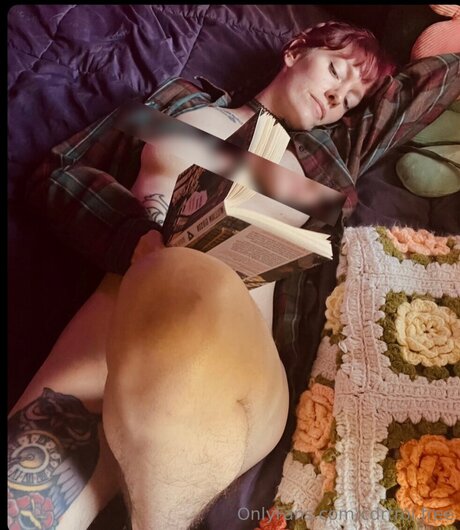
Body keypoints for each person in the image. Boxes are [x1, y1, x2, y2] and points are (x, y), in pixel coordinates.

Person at [8, 20, 460, 530]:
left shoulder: (330, 157)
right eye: (336, 71)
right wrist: (132, 237)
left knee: (184, 280)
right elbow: (57, 172)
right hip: (122, 312)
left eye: (351, 100)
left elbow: (435, 81)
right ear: (296, 50)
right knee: (23, 495)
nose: (337, 97)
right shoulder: (180, 102)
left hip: (242, 361)